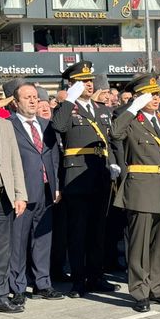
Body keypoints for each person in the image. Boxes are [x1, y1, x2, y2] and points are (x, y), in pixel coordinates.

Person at [110, 74, 160, 313]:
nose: (156, 98)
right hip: (141, 189)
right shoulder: (130, 119)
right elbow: (115, 133)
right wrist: (133, 107)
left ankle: (157, 288)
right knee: (139, 244)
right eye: (150, 95)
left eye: (157, 94)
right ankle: (139, 291)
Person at [50, 61, 121, 298]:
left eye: (90, 81)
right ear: (72, 85)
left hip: (100, 173)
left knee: (97, 230)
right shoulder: (66, 108)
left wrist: (112, 161)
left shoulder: (101, 110)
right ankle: (78, 280)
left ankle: (96, 276)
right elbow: (59, 127)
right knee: (78, 231)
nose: (88, 85)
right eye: (82, 81)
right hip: (77, 175)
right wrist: (69, 98)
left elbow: (108, 140)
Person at [8, 83, 64, 307]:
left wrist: (56, 185)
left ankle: (43, 284)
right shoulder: (9, 125)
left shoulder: (45, 124)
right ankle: (17, 287)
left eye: (35, 97)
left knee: (42, 240)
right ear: (16, 102)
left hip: (46, 190)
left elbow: (53, 157)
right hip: (21, 193)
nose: (33, 101)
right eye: (27, 98)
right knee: (18, 242)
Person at [0, 79, 27, 315]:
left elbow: (14, 162)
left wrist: (20, 194)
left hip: (4, 197)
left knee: (1, 251)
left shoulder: (4, 124)